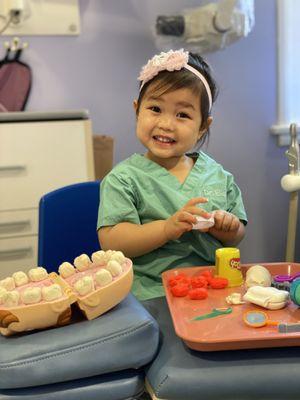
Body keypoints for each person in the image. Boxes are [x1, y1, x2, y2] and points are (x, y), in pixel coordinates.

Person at [97, 49, 247, 301]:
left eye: (182, 115)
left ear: (202, 127)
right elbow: (112, 241)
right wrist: (166, 229)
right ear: (137, 110)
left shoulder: (218, 176)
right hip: (151, 294)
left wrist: (226, 226)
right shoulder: (123, 179)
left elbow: (237, 235)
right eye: (155, 108)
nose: (166, 124)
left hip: (213, 289)